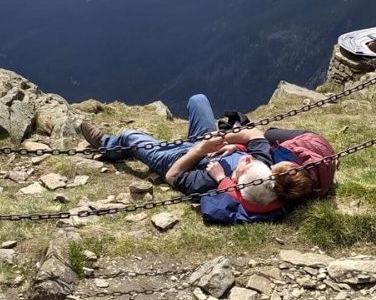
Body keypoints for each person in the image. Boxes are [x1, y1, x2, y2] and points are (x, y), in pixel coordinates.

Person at [80, 93, 284, 225]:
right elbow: (254, 134)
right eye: (251, 160)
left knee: (129, 135)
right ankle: (131, 148)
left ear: (238, 185)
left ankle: (108, 145)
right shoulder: (263, 167)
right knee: (198, 100)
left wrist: (200, 150)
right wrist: (226, 140)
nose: (247, 159)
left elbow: (173, 175)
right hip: (211, 142)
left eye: (244, 166)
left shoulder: (210, 182)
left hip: (180, 158)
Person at [263, 128, 335, 201]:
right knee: (269, 134)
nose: (271, 166)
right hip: (311, 139)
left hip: (326, 149)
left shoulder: (316, 188)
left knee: (267, 135)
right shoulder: (286, 150)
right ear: (292, 165)